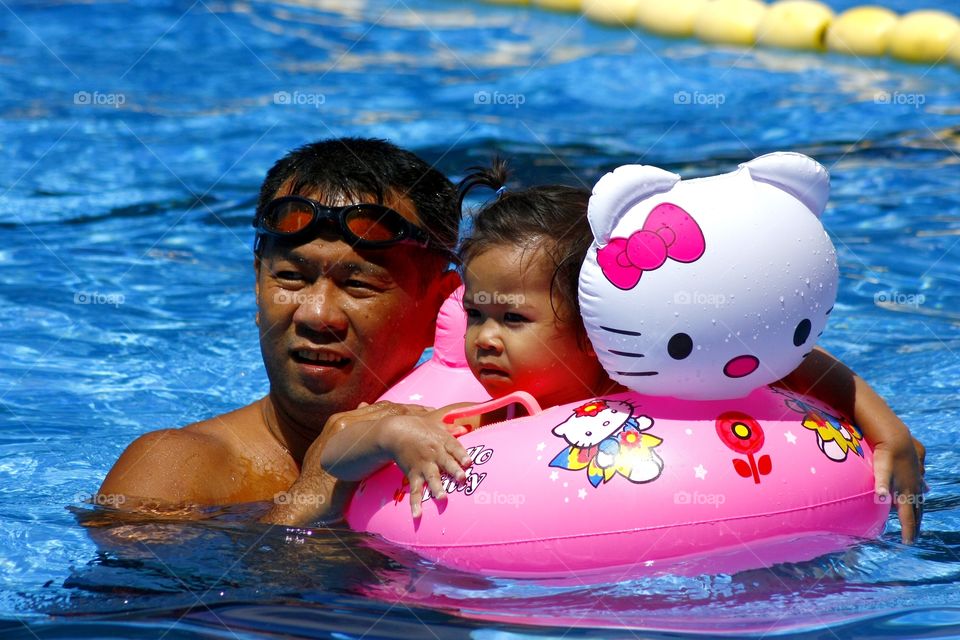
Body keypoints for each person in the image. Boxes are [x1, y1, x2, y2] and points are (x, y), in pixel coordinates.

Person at [319, 161, 927, 540]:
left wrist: (890, 432)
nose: (485, 338)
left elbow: (789, 360)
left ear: (596, 323)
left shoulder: (652, 383)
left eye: (513, 318)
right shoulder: (473, 411)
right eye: (475, 313)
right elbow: (337, 454)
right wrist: (390, 436)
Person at [97, 138, 461, 524]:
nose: (315, 315)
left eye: (358, 285)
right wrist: (310, 498)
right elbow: (132, 586)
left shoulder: (481, 441)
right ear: (257, 283)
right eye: (290, 278)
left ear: (442, 306)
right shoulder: (176, 471)